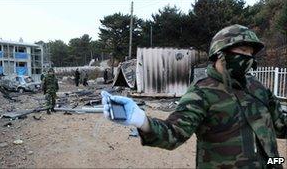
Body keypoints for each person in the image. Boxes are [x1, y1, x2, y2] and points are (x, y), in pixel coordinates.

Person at [101, 24, 287, 168]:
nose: (248, 57)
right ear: (221, 53)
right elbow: (174, 134)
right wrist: (143, 121)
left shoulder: (258, 88)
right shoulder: (202, 92)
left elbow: (281, 126)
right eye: (243, 51)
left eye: (251, 53)